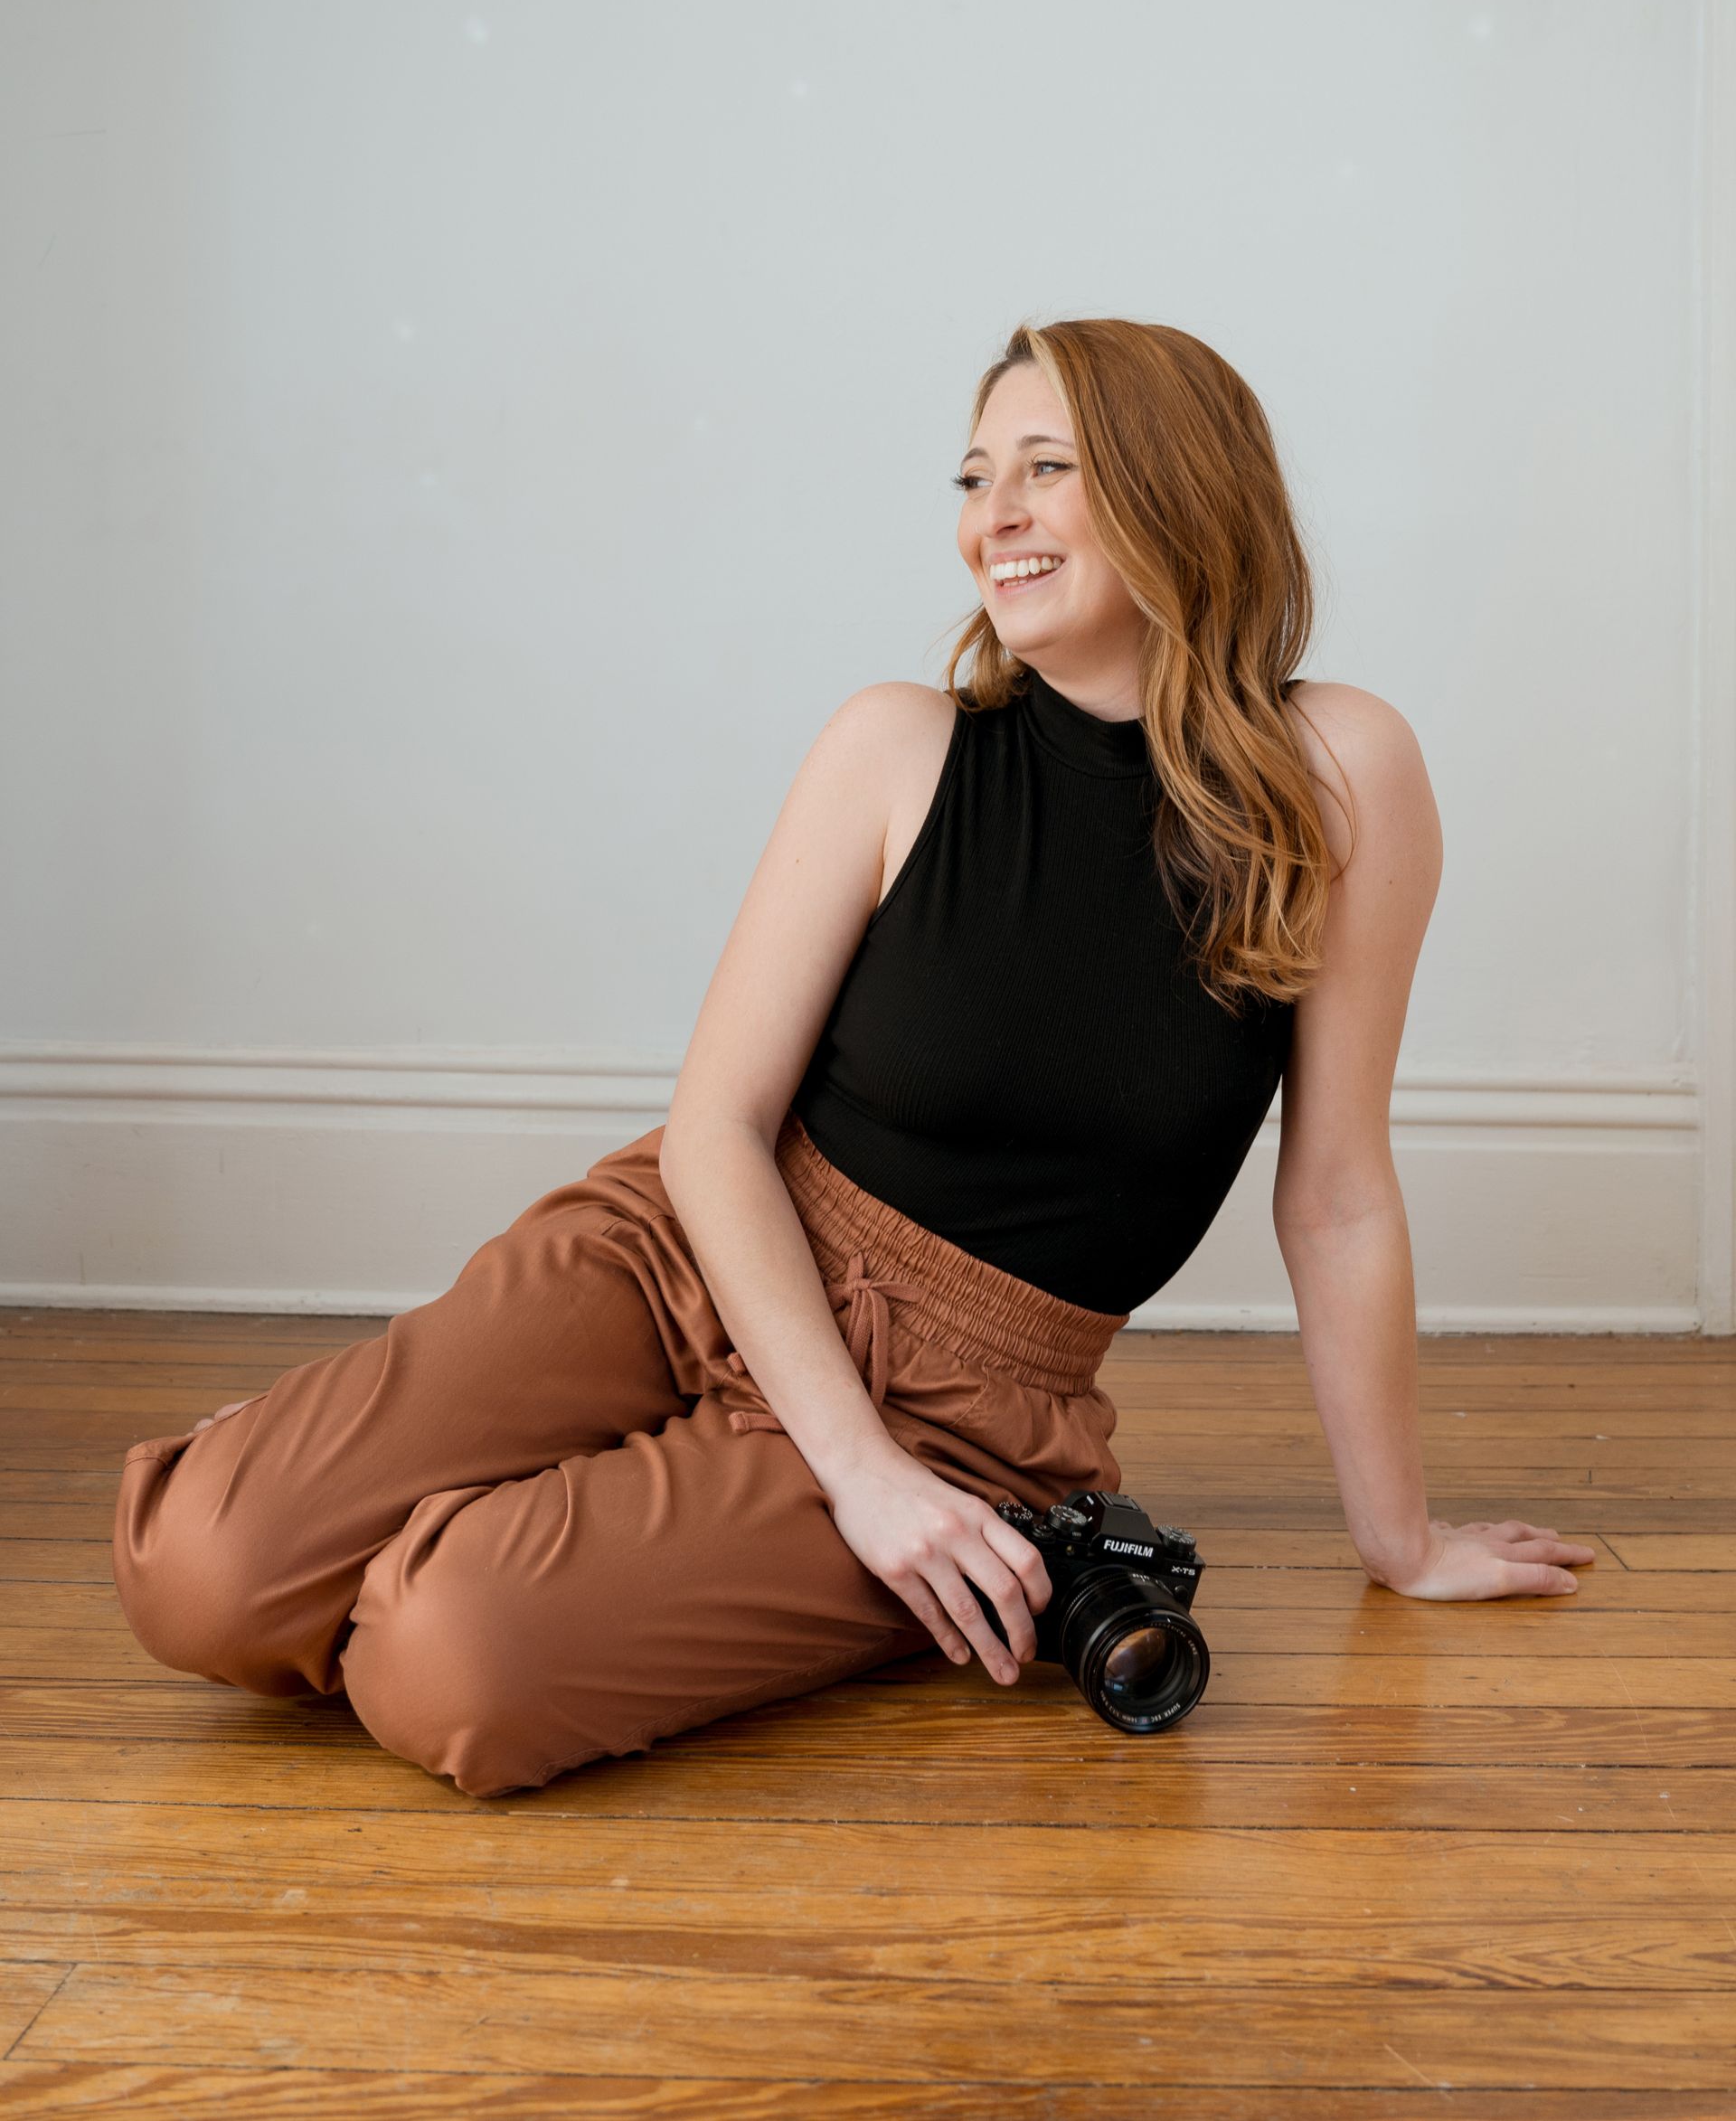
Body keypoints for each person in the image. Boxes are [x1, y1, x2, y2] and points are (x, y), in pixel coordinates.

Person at [111, 318, 1592, 1797]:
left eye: (1046, 468)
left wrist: (1398, 1539)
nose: (992, 517)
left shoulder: (1341, 776)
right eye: (974, 477)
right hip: (694, 1250)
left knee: (444, 1662)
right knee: (199, 1566)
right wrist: (852, 1473)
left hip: (963, 1409)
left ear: (1174, 484)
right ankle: (399, 1507)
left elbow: (1334, 1195)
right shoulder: (893, 748)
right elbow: (715, 1128)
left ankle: (526, 1543)